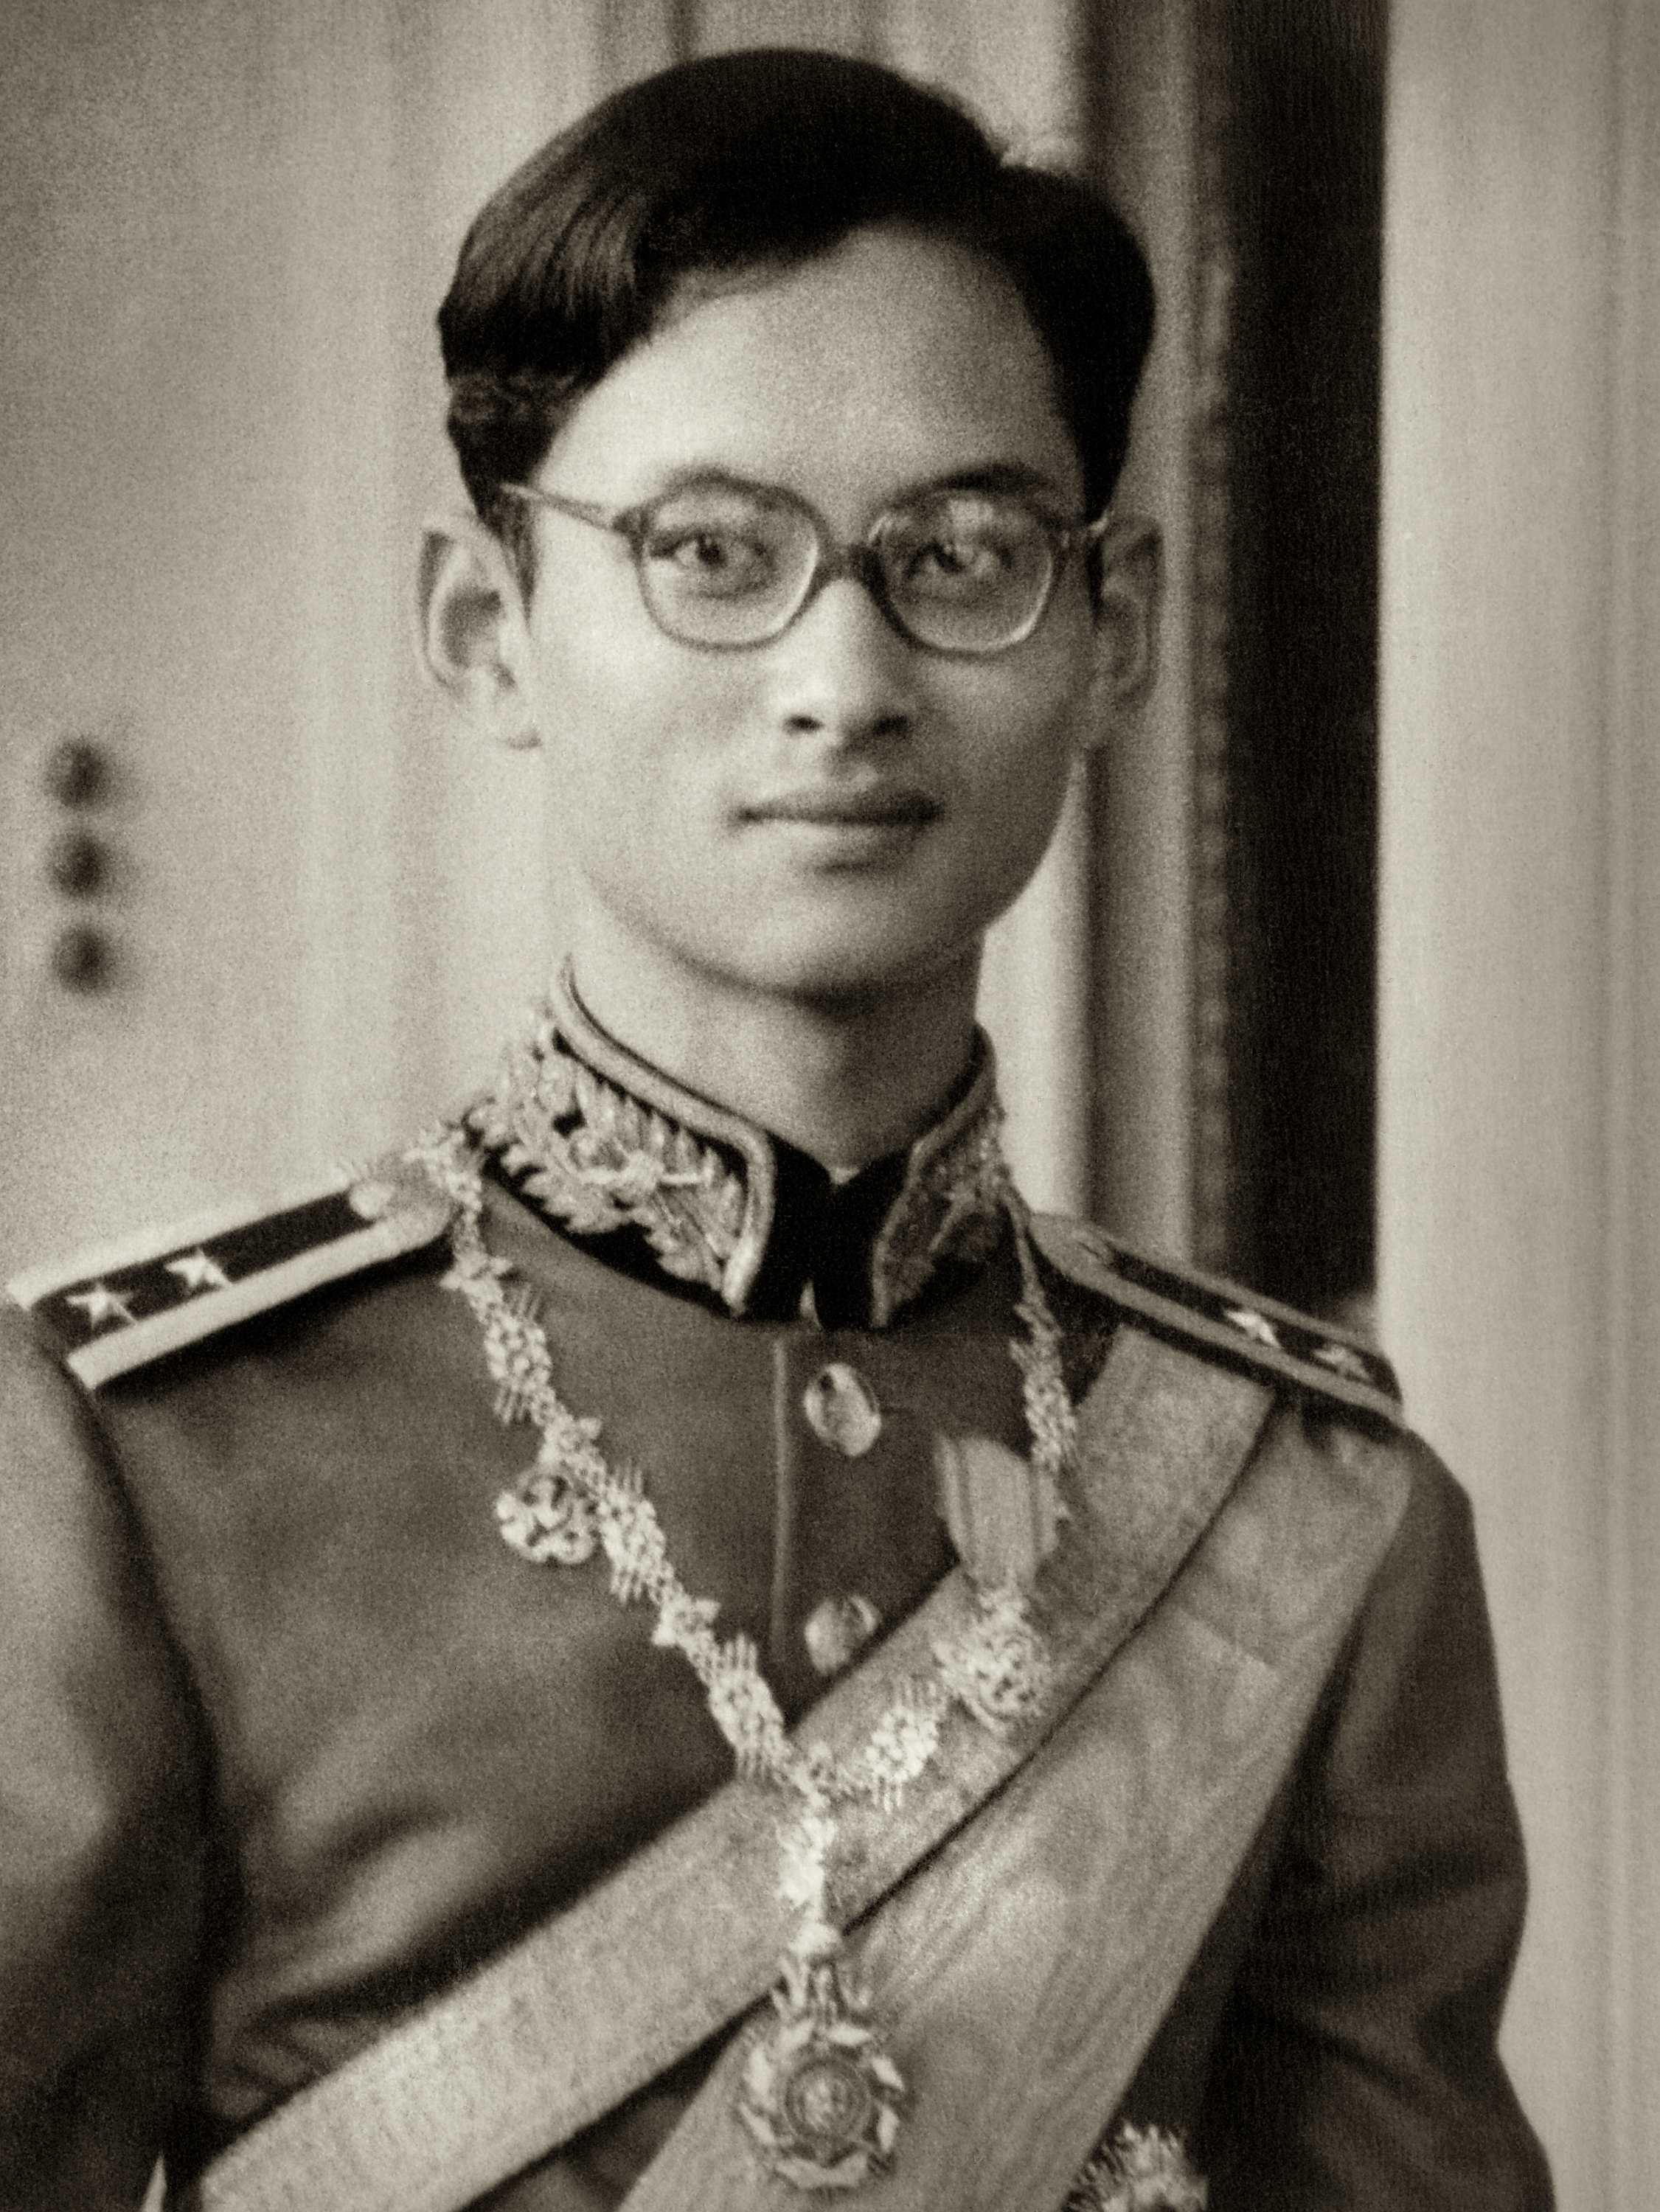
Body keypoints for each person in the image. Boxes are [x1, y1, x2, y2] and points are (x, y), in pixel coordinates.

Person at [0, 46, 1552, 2212]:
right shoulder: (136, 1460)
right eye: (712, 553)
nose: (844, 679)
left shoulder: (1308, 1513)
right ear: (488, 630)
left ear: (1112, 634)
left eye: (965, 554)